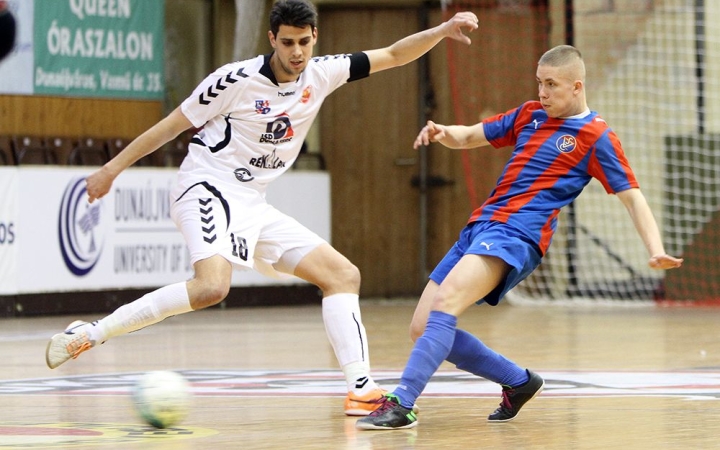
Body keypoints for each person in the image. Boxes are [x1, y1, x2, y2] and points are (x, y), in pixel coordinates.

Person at [44, 0, 479, 417]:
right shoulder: (233, 80)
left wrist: (442, 31)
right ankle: (89, 334)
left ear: (314, 38)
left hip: (252, 202)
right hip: (205, 186)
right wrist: (111, 169)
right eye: (287, 42)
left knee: (342, 275)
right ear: (272, 38)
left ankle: (360, 391)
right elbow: (172, 124)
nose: (297, 52)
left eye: (304, 42)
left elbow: (393, 54)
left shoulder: (323, 73)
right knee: (211, 288)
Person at [356, 44, 684, 430]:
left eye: (551, 85)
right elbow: (469, 136)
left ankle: (402, 403)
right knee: (422, 326)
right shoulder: (530, 114)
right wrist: (444, 132)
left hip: (519, 235)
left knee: (446, 304)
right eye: (539, 83)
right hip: (480, 226)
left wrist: (656, 249)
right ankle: (519, 381)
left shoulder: (596, 136)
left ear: (577, 87)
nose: (542, 92)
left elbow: (633, 198)